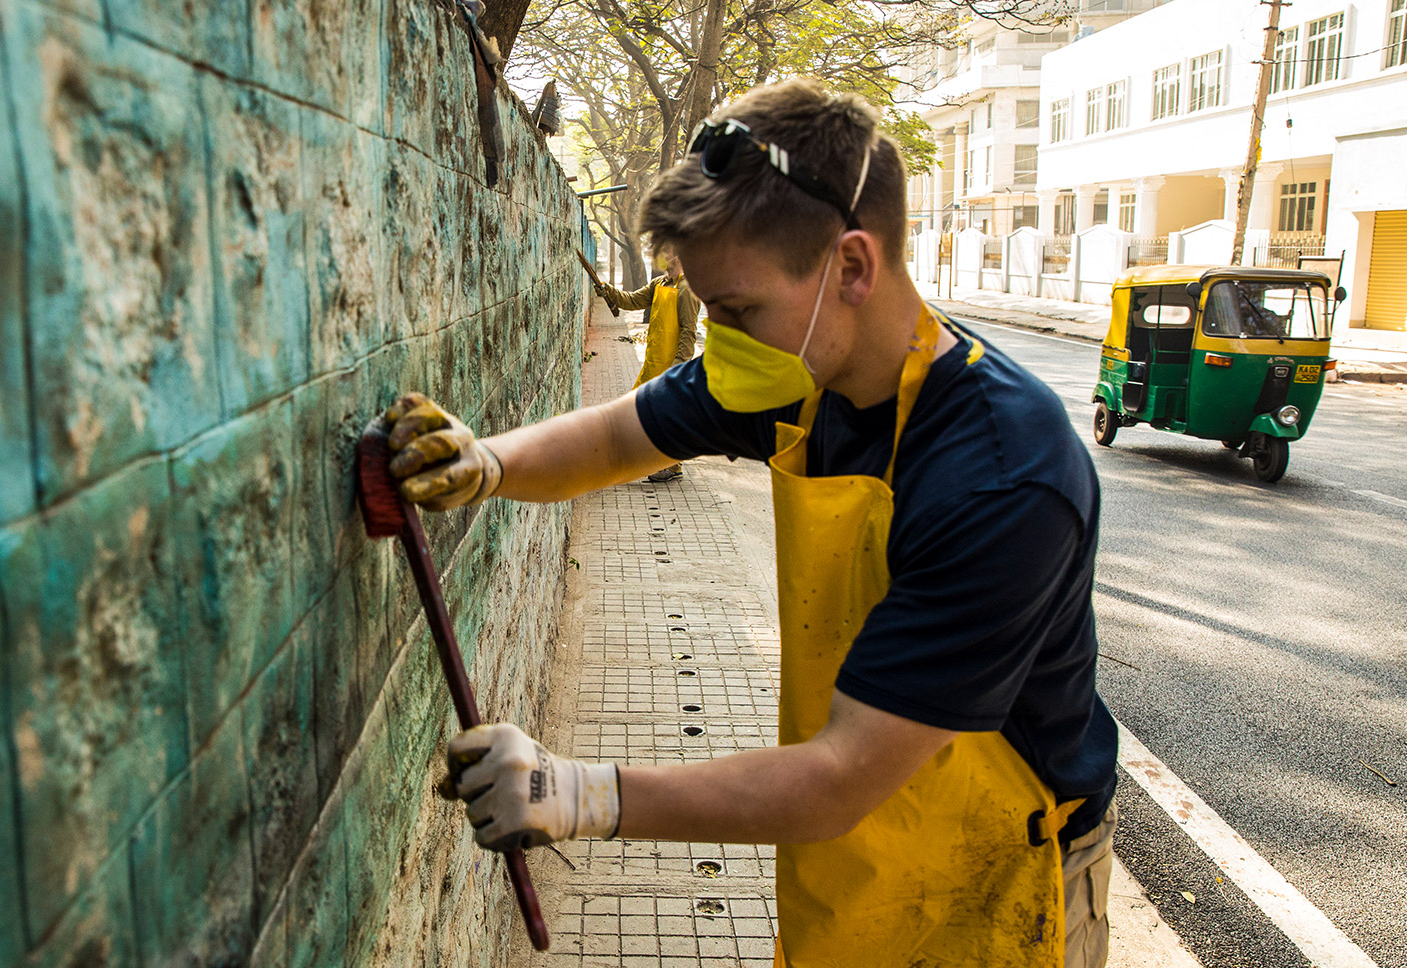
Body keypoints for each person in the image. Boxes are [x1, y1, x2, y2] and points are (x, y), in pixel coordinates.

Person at [380, 78, 1118, 968]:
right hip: (852, 848)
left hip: (999, 877)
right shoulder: (798, 370)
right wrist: (488, 464)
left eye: (734, 309)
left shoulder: (1002, 477)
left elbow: (842, 776)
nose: (714, 336)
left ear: (851, 268)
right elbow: (622, 432)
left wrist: (578, 793)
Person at [594, 252, 701, 481]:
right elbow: (631, 301)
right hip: (653, 362)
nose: (661, 258)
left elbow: (688, 333)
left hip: (671, 367)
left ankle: (671, 466)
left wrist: (679, 368)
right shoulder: (659, 283)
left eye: (666, 254)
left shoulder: (688, 290)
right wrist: (608, 290)